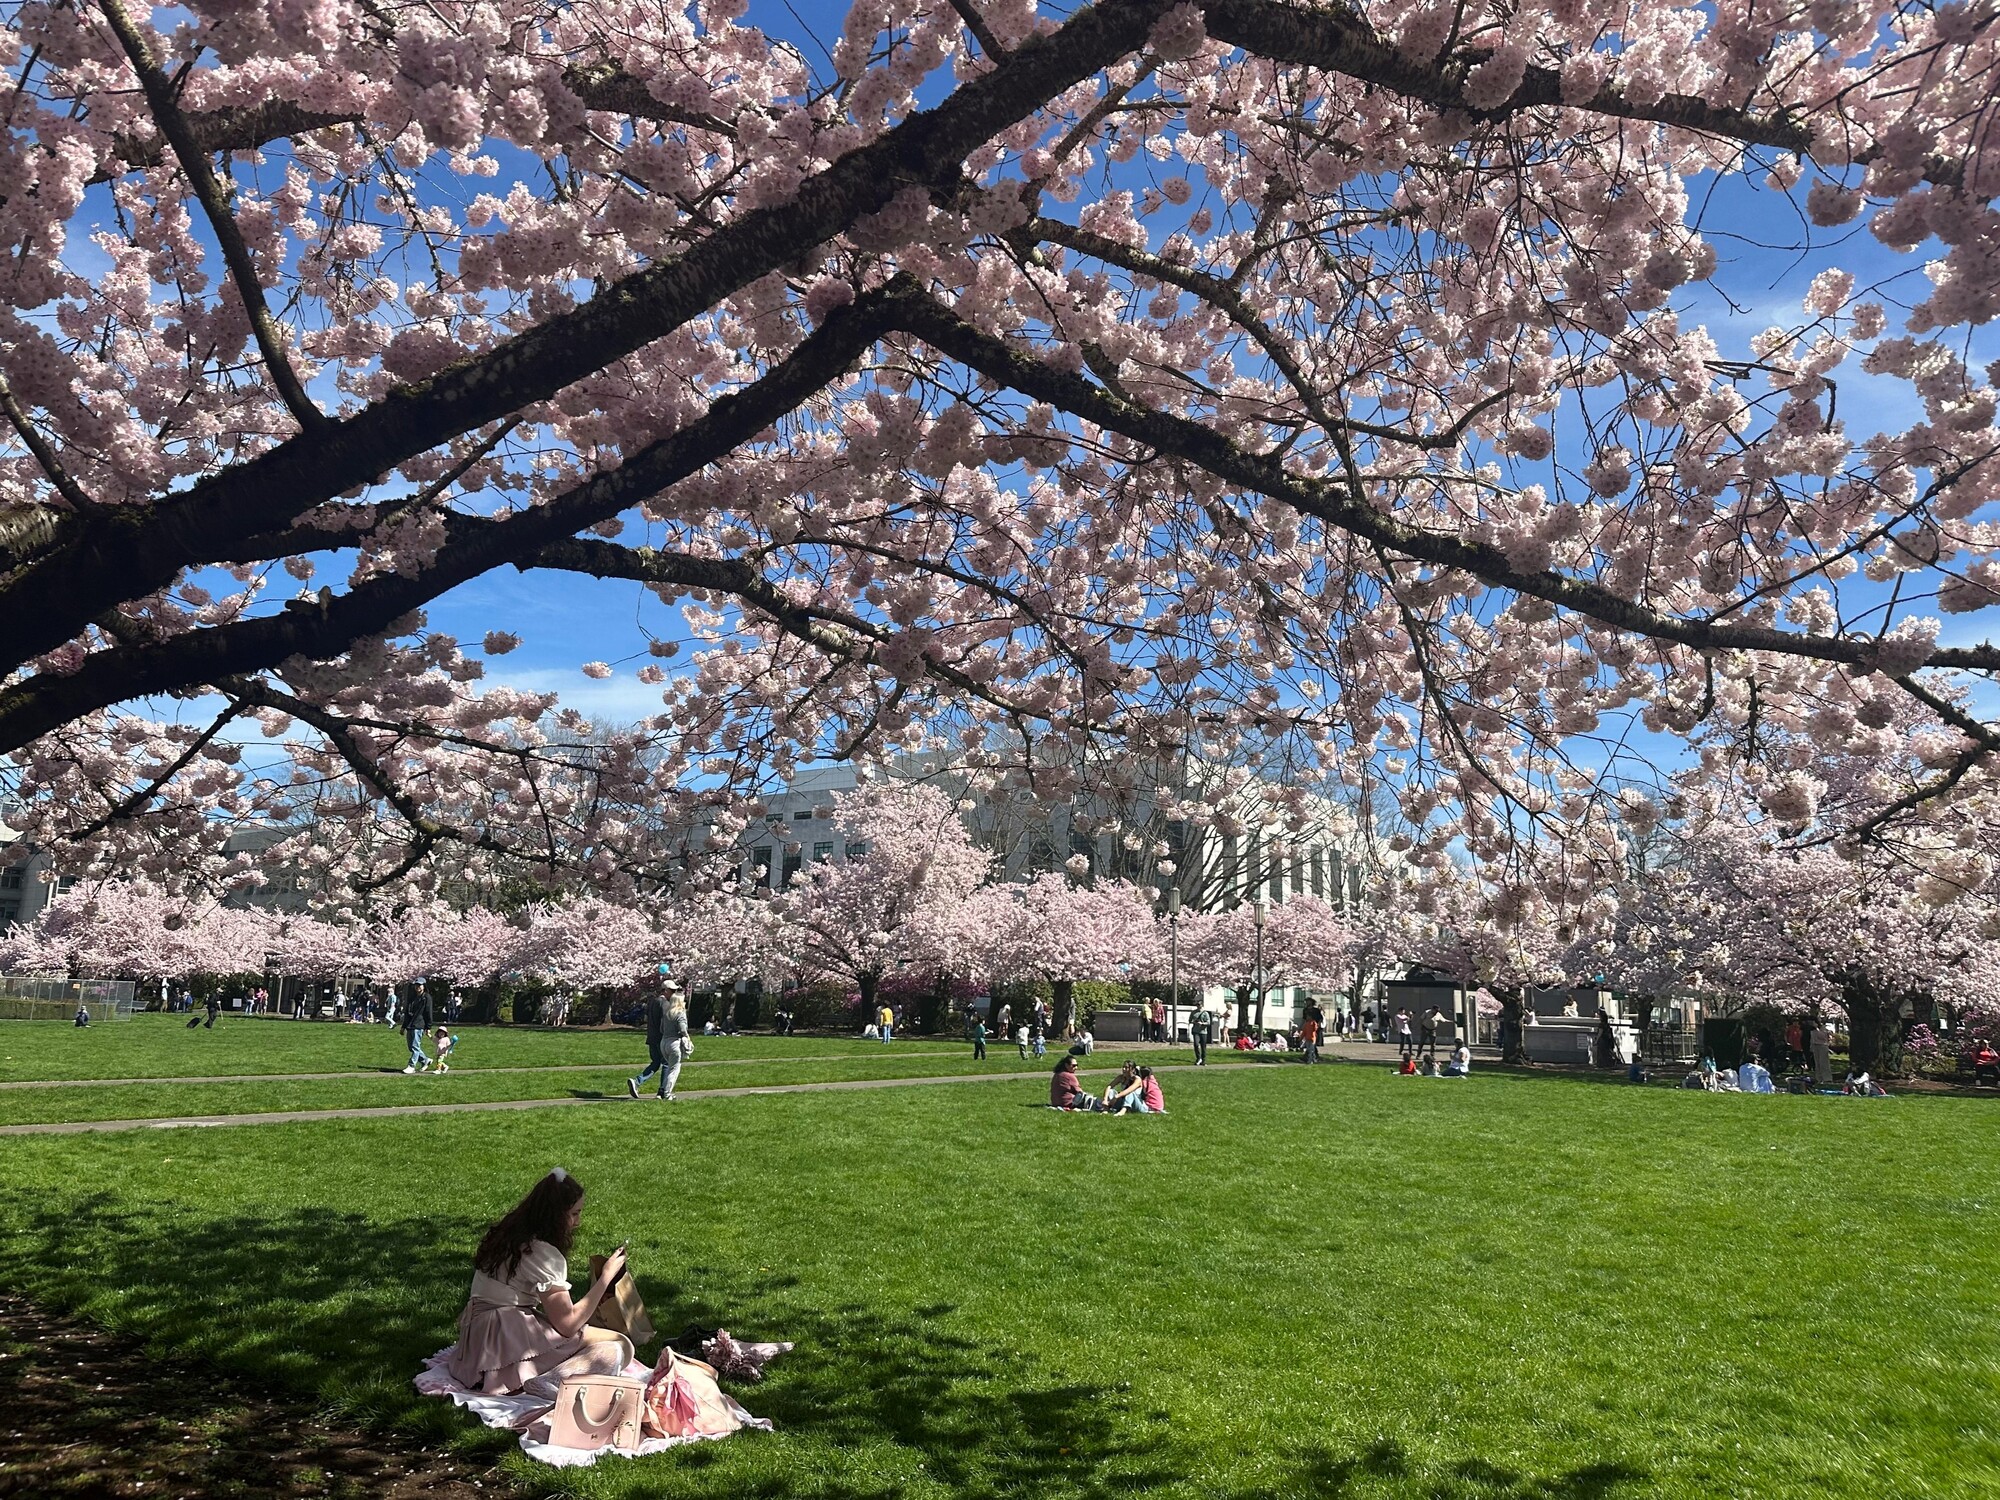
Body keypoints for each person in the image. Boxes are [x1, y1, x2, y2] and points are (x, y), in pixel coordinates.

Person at [443, 1169, 634, 1396]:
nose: (577, 1222)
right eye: (574, 1214)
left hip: (479, 1336)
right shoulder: (541, 1253)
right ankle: (547, 1380)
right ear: (555, 1215)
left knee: (596, 1341)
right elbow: (567, 1324)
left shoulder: (509, 1235)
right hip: (505, 1335)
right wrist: (605, 1278)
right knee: (620, 1345)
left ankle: (534, 1376)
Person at [629, 981, 691, 1100]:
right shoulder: (665, 1004)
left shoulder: (652, 1002)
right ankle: (662, 1091)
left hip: (651, 1037)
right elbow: (666, 1023)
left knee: (655, 1063)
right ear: (665, 991)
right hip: (662, 1038)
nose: (674, 994)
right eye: (672, 991)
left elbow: (647, 1018)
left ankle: (637, 1081)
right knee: (667, 1064)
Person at [402, 981, 434, 1074]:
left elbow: (428, 1012)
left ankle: (411, 1066)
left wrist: (428, 1027)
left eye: (420, 985)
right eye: (416, 985)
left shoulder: (426, 998)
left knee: (415, 1046)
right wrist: (404, 1026)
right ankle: (425, 1060)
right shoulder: (412, 998)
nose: (418, 987)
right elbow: (407, 1013)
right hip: (410, 1024)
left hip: (419, 1024)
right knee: (411, 1047)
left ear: (424, 986)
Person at [1811, 1019, 1834, 1086]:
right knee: (1817, 1063)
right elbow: (1812, 1039)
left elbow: (1823, 1037)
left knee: (1823, 1063)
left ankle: (1827, 1078)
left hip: (1822, 1046)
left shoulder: (1823, 1029)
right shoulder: (1812, 1030)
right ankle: (1818, 1078)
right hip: (1815, 1046)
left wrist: (1818, 1030)